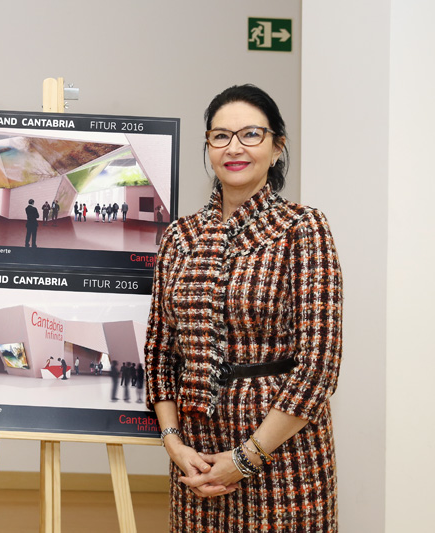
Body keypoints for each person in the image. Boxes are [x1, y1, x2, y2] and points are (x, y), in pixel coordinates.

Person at [144, 84, 342, 532]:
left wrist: (246, 457)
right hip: (197, 457)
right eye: (220, 136)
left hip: (283, 450)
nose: (234, 148)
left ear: (277, 147)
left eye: (251, 134)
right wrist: (174, 444)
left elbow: (320, 363)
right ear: (208, 148)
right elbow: (159, 352)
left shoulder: (302, 228)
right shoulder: (181, 237)